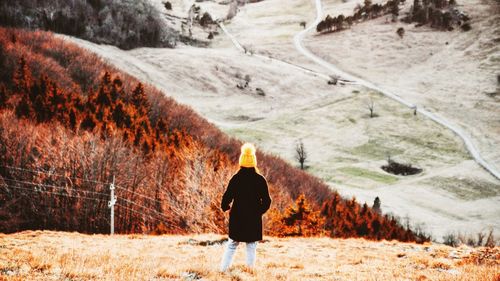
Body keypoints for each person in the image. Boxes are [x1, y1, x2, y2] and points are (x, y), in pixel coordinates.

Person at [220, 143, 272, 272]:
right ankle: (250, 272)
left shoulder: (236, 178)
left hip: (237, 217)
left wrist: (226, 207)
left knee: (232, 244)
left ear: (241, 161)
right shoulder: (260, 180)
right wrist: (258, 212)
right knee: (251, 245)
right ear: (254, 161)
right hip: (253, 219)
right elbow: (267, 201)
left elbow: (226, 197)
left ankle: (223, 270)